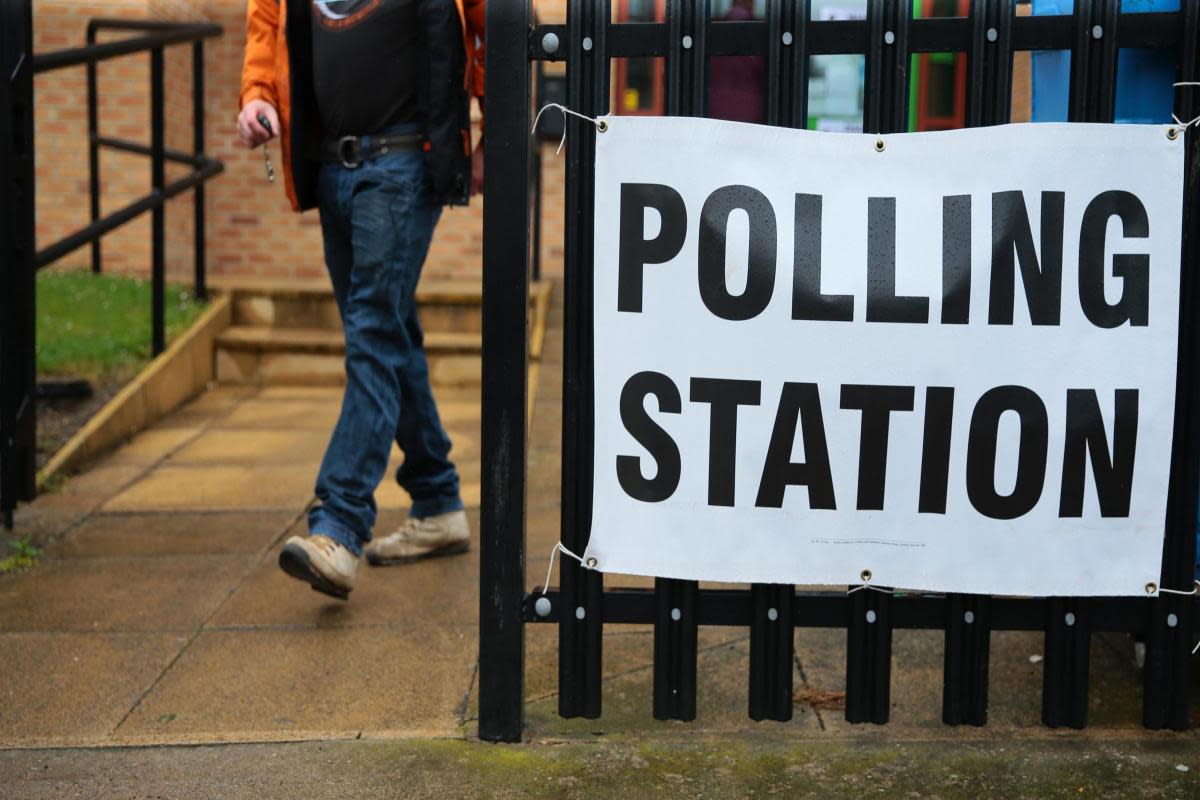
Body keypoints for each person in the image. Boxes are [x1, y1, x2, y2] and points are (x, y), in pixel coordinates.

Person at [236, 0, 485, 600]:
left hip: (403, 164)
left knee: (373, 332)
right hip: (331, 167)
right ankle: (438, 501)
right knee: (385, 332)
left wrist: (494, 136)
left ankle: (340, 526)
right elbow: (267, 21)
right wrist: (257, 95)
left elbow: (496, 23)